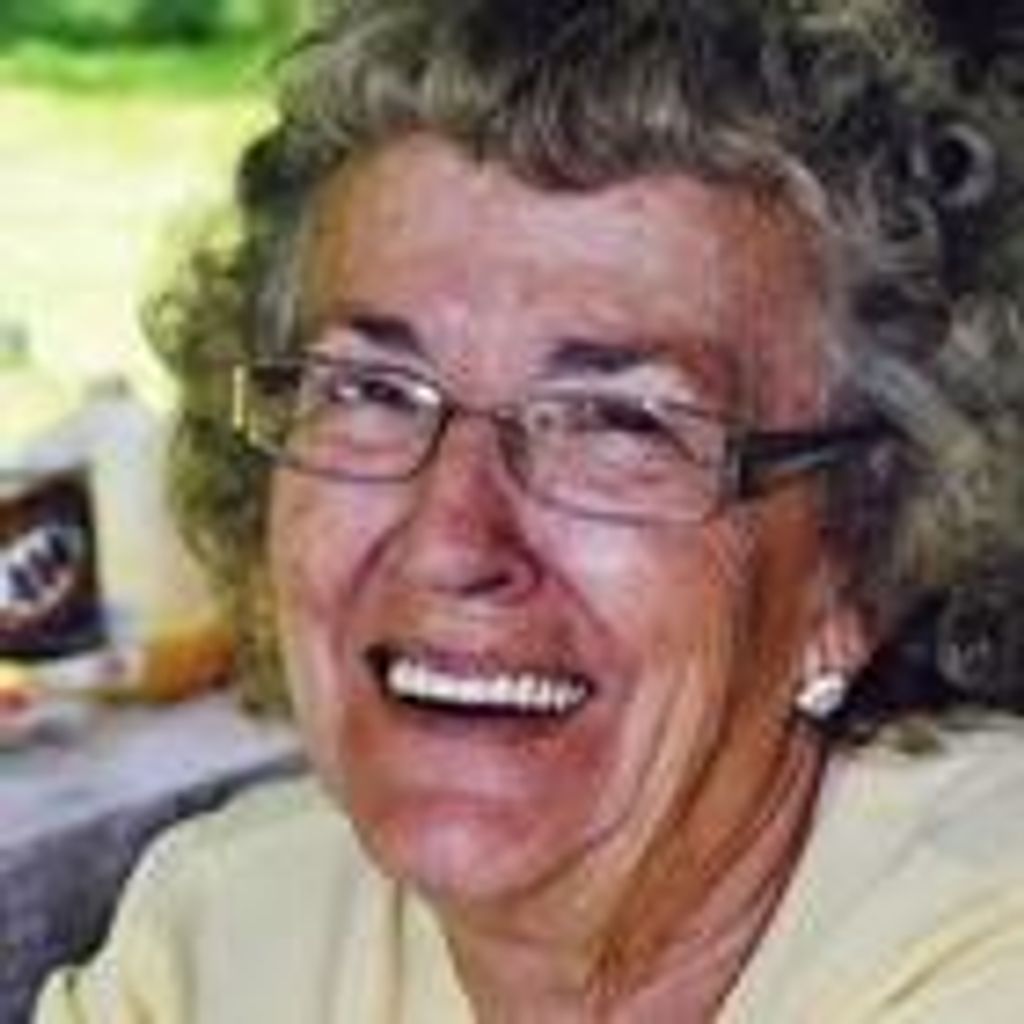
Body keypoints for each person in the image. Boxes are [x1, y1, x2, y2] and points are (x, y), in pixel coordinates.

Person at [36, 0, 1024, 1020]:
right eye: (372, 392)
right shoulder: (220, 933)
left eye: (615, 422)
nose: (448, 542)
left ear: (859, 557)